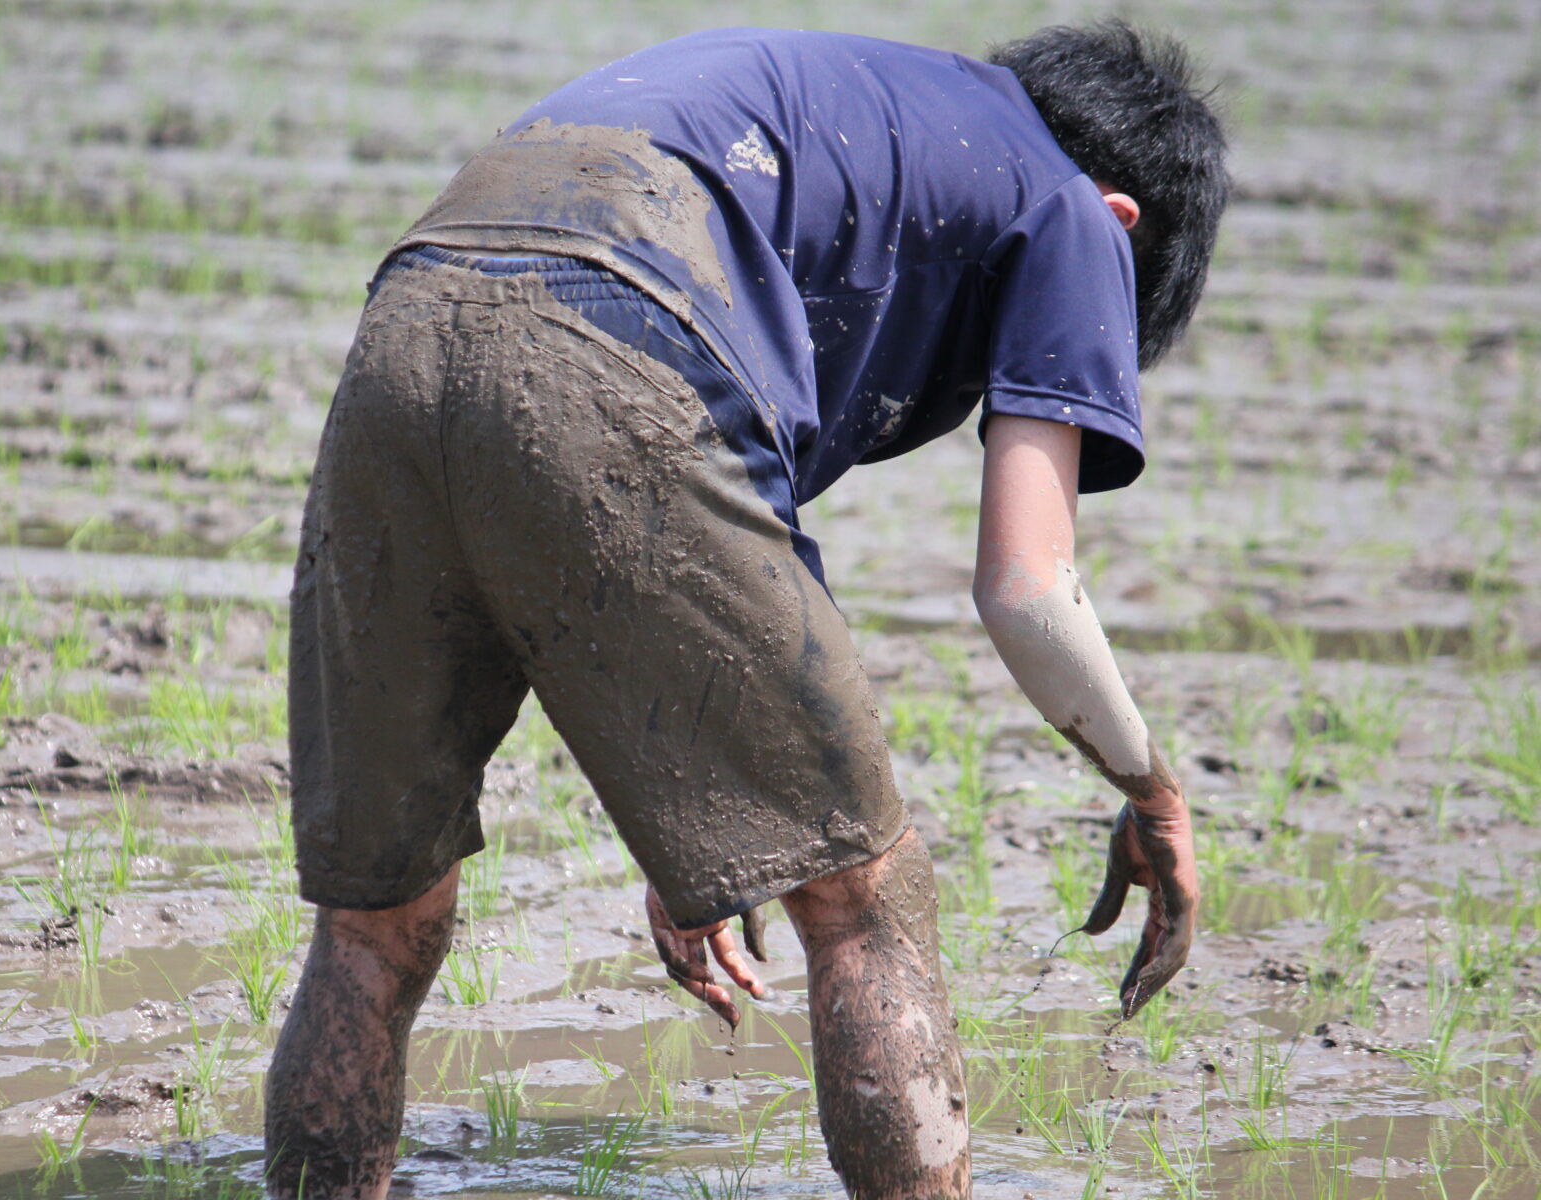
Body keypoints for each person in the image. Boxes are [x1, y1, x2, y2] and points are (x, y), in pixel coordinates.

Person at [265, 19, 1227, 1200]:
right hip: (625, 331)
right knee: (869, 900)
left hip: (409, 322)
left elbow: (692, 528)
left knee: (375, 922)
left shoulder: (878, 114)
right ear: (1124, 222)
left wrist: (700, 830)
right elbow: (1028, 588)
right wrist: (1151, 787)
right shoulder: (1077, 208)